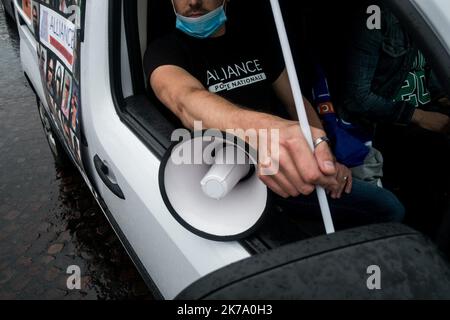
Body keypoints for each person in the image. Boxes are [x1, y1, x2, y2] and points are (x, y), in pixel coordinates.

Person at [144, 0, 405, 228]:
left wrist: (325, 154)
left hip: (289, 163)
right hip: (229, 177)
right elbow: (185, 99)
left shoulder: (254, 41)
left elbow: (296, 103)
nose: (192, 2)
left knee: (389, 206)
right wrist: (267, 133)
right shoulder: (164, 51)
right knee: (388, 206)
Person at [340, 4, 450, 236]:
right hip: (386, 124)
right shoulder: (376, 16)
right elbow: (357, 98)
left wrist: (441, 98)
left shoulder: (428, 14)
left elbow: (426, 75)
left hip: (423, 113)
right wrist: (419, 117)